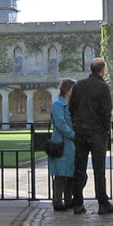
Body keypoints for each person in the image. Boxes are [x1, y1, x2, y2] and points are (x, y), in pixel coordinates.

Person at [69, 57, 113, 215]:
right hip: (97, 132)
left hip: (81, 132)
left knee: (79, 168)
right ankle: (102, 203)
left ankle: (77, 203)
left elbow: (72, 108)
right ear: (102, 70)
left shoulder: (79, 85)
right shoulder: (102, 87)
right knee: (99, 170)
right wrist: (106, 130)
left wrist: (77, 124)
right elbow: (106, 111)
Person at [48, 78, 76, 211]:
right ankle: (57, 200)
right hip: (61, 142)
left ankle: (68, 199)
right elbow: (60, 123)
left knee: (71, 173)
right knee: (60, 174)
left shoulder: (71, 104)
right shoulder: (58, 104)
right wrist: (73, 135)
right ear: (68, 89)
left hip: (70, 144)